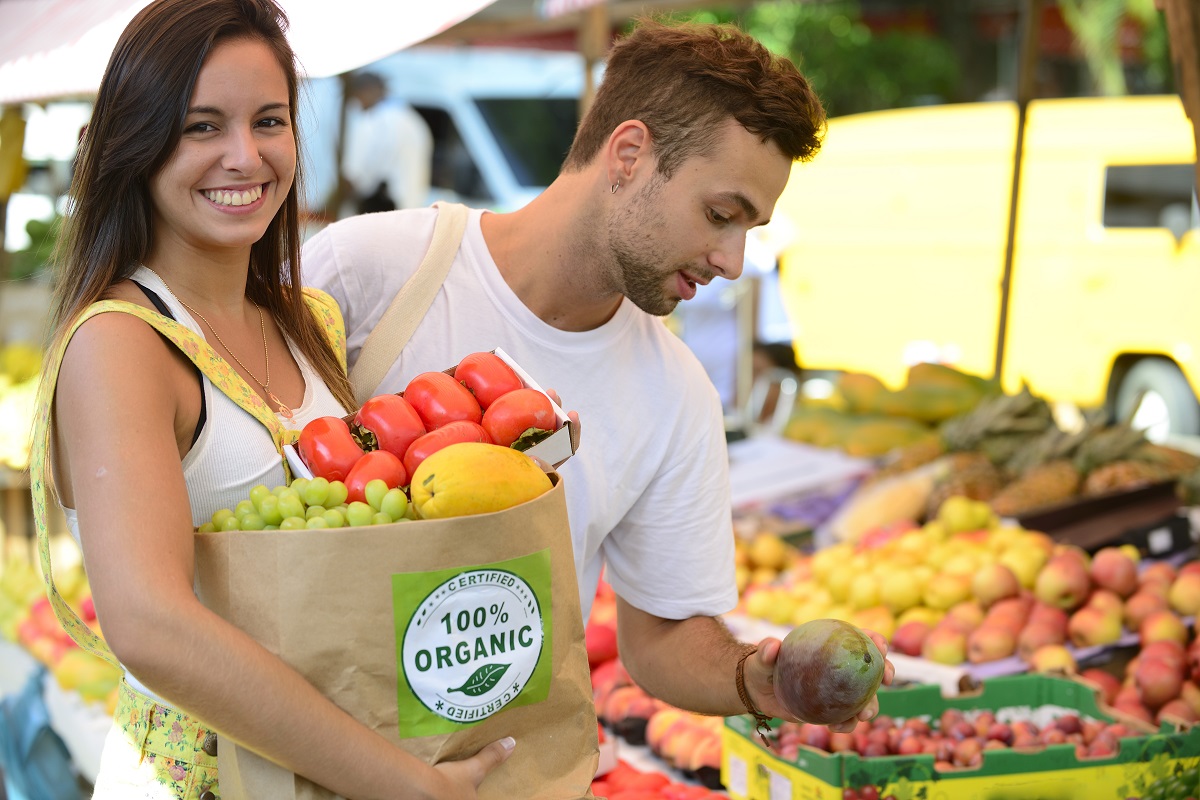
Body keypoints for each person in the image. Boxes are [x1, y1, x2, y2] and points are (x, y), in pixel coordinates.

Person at [303, 19, 893, 732]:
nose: (734, 261)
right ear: (630, 154)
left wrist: (753, 681)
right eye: (720, 215)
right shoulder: (365, 271)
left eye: (750, 230)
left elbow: (661, 639)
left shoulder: (676, 394)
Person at [32, 0, 512, 796]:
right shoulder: (119, 342)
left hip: (331, 764)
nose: (245, 156)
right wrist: (401, 782)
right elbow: (150, 625)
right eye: (201, 127)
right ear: (136, 143)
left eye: (270, 121)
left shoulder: (306, 319)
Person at [342, 70, 433, 214]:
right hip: (413, 212)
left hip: (380, 213)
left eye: (357, 98)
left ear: (367, 90)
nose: (358, 105)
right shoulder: (414, 120)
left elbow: (354, 174)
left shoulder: (371, 122)